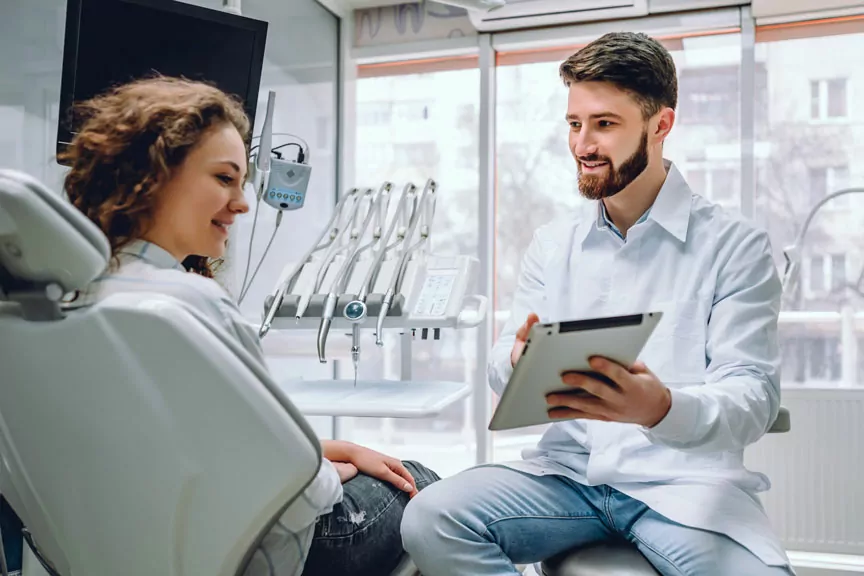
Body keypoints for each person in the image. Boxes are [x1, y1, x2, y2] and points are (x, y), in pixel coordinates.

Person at [401, 32, 791, 576]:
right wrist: (516, 361)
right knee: (430, 518)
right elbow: (500, 362)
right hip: (569, 479)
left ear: (660, 126)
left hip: (683, 486)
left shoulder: (736, 246)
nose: (583, 144)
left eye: (604, 124)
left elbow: (753, 398)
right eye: (574, 124)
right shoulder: (552, 243)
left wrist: (659, 408)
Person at [59, 76, 439, 576]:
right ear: (152, 175)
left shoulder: (67, 304)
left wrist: (329, 449)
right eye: (223, 178)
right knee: (424, 483)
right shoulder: (191, 305)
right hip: (261, 552)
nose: (242, 203)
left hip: (123, 551)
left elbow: (182, 444)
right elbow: (308, 494)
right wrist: (328, 468)